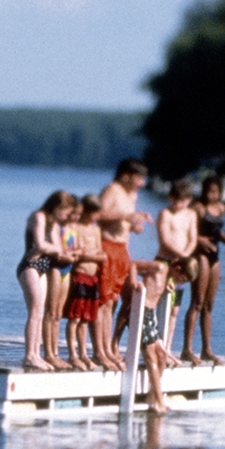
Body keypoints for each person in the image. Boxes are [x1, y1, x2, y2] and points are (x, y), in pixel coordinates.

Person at [96, 158, 153, 371]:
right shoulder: (112, 189)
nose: (141, 183)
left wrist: (133, 224)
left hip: (121, 248)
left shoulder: (130, 195)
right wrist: (127, 216)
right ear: (126, 175)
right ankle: (100, 351)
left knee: (114, 301)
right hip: (107, 246)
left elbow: (122, 221)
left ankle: (109, 348)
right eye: (139, 178)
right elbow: (99, 216)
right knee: (104, 301)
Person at [17, 191, 77, 371]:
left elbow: (57, 249)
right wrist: (51, 248)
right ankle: (29, 355)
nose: (66, 216)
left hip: (43, 266)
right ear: (57, 207)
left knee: (41, 312)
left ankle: (36, 354)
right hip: (30, 266)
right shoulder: (39, 216)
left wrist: (59, 251)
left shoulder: (52, 222)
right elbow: (40, 244)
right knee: (35, 311)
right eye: (65, 212)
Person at [130, 255, 199, 414]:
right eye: (182, 279)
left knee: (161, 357)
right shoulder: (160, 267)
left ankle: (152, 395)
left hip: (150, 315)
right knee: (151, 357)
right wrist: (134, 282)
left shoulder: (168, 276)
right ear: (177, 268)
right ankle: (159, 401)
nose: (181, 283)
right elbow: (134, 264)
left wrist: (169, 284)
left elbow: (158, 283)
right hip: (142, 312)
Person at [182, 175, 225, 365]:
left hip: (215, 256)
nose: (211, 194)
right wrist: (199, 240)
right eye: (208, 190)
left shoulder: (221, 208)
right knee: (197, 301)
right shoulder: (197, 207)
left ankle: (206, 349)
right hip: (200, 255)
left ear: (220, 192)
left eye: (215, 191)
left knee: (209, 305)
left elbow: (216, 230)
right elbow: (187, 229)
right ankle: (187, 349)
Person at [154, 179, 199, 361]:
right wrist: (180, 256)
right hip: (165, 262)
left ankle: (167, 347)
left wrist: (185, 257)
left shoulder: (191, 214)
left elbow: (192, 238)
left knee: (174, 309)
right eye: (175, 200)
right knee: (159, 304)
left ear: (188, 200)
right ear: (170, 197)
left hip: (181, 265)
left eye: (182, 201)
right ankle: (154, 345)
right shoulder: (165, 213)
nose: (178, 204)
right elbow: (164, 240)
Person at [63, 194, 108, 370]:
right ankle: (72, 354)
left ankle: (83, 353)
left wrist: (89, 254)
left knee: (85, 319)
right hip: (80, 275)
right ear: (87, 212)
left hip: (92, 277)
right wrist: (90, 255)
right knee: (74, 318)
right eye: (95, 213)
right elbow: (76, 253)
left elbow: (102, 255)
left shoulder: (96, 230)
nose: (97, 217)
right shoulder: (76, 228)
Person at [43, 196, 81, 370]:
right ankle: (49, 353)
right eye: (74, 214)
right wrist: (70, 255)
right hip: (56, 268)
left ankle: (55, 352)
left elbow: (77, 247)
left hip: (68, 268)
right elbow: (56, 252)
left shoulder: (73, 228)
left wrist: (76, 254)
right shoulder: (56, 227)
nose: (75, 217)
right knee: (50, 312)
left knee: (58, 313)